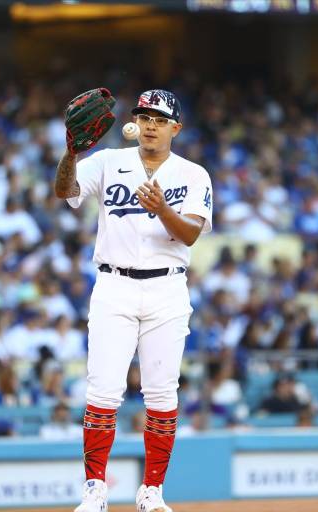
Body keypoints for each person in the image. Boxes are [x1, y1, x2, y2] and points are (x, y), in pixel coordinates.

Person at [54, 89, 213, 512]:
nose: (150, 125)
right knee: (103, 390)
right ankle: (95, 490)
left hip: (167, 287)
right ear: (135, 122)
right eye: (144, 117)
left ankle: (152, 491)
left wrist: (162, 209)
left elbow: (190, 234)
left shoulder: (193, 174)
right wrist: (71, 153)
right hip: (114, 285)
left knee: (162, 394)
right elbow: (65, 191)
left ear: (176, 128)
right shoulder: (108, 161)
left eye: (159, 119)